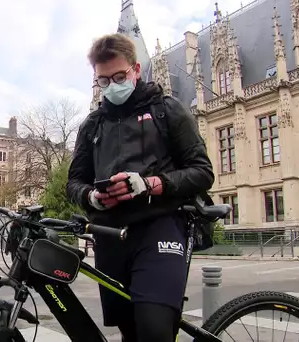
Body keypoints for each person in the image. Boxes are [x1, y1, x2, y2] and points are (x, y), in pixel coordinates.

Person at [66, 33, 214, 342]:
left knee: (153, 331)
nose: (112, 85)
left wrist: (150, 184)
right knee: (130, 332)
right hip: (110, 235)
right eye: (103, 81)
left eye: (119, 76)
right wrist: (91, 196)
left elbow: (202, 172)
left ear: (136, 70)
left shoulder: (167, 110)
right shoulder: (91, 125)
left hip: (161, 227)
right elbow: (74, 183)